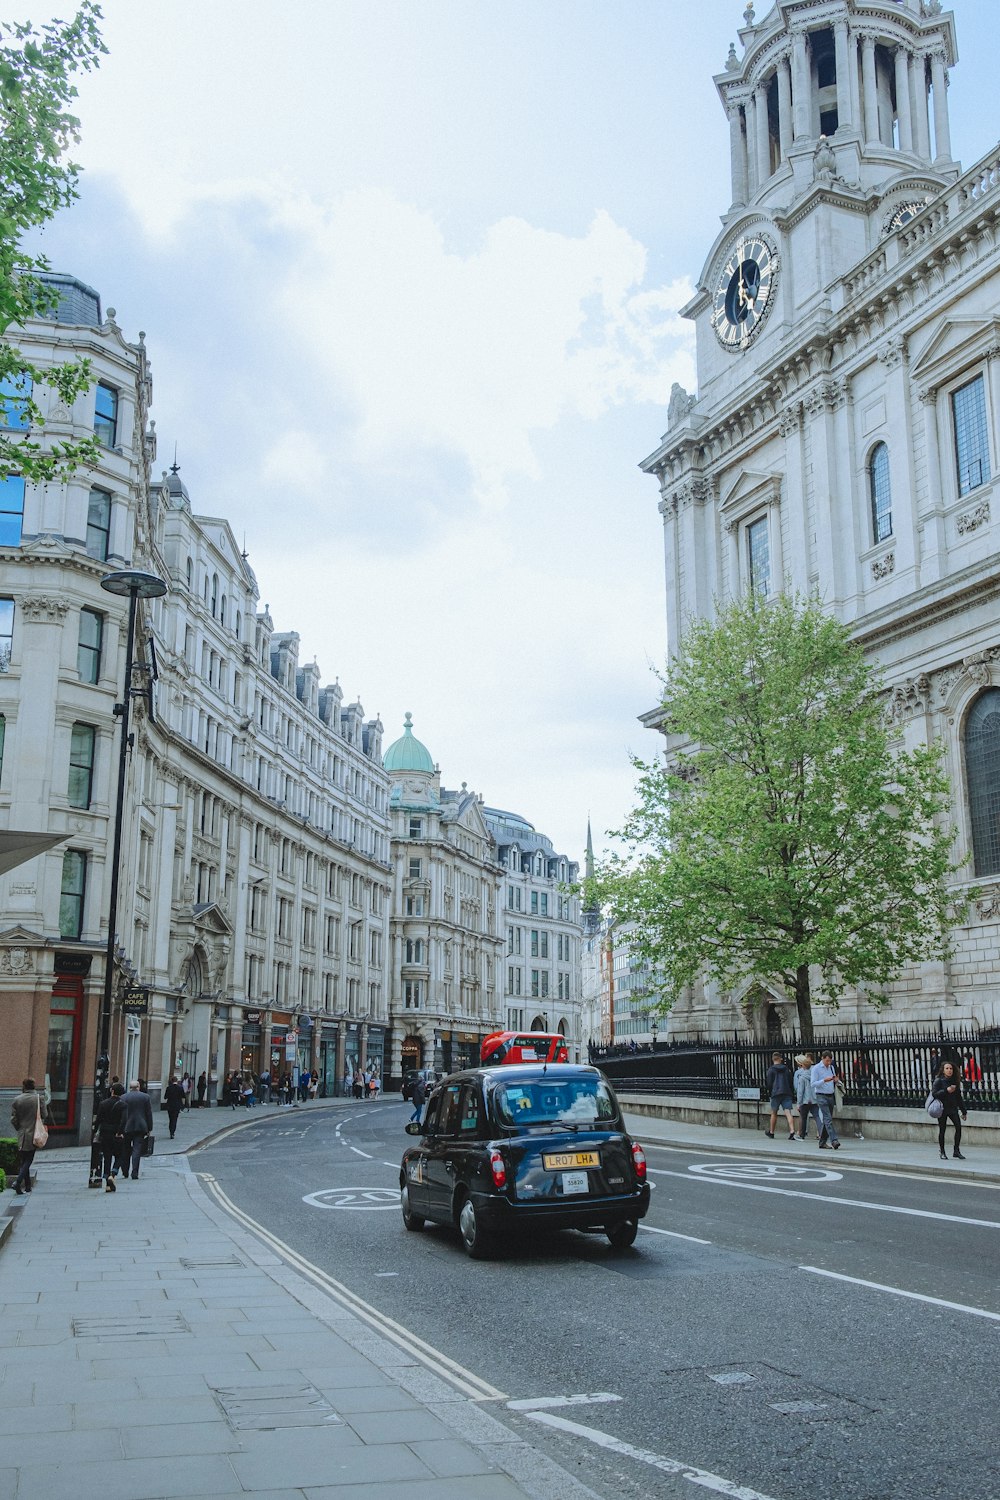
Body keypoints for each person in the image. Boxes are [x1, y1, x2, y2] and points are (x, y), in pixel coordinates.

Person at [10, 1077, 52, 1194]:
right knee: (29, 1159)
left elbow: (13, 1119)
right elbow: (44, 1115)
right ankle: (18, 1182)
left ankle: (27, 1186)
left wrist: (19, 1128)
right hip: (35, 1133)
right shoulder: (39, 1099)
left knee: (24, 1159)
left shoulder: (17, 1100)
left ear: (24, 1086)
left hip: (22, 1134)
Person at [932, 1060, 968, 1160]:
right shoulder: (939, 1080)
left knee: (958, 1127)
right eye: (947, 1068)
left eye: (951, 1068)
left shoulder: (954, 1081)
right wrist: (946, 1091)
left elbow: (959, 1097)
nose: (949, 1070)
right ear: (943, 1070)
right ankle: (942, 1151)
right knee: (942, 1129)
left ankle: (956, 1150)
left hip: (952, 1108)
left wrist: (963, 1111)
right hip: (942, 1109)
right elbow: (934, 1094)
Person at [120, 1079, 154, 1180]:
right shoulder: (145, 1097)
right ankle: (134, 1172)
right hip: (140, 1126)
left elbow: (121, 1115)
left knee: (125, 1149)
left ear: (130, 1087)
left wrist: (120, 1129)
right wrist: (149, 1127)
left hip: (127, 1127)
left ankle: (125, 1171)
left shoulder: (123, 1097)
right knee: (136, 1149)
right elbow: (149, 1113)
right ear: (138, 1086)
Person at [94, 1082, 125, 1189]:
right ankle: (113, 1173)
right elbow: (124, 1120)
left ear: (112, 1091)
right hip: (116, 1134)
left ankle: (107, 1182)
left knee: (107, 1157)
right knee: (119, 1156)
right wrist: (120, 1132)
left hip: (105, 1133)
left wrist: (95, 1131)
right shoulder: (123, 1105)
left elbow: (98, 1119)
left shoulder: (103, 1103)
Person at [810, 1051, 842, 1149]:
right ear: (823, 1058)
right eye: (827, 1060)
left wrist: (836, 1080)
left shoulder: (831, 1067)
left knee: (827, 1120)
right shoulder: (816, 1069)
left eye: (830, 1061)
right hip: (821, 1095)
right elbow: (813, 1084)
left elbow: (834, 1079)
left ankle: (822, 1142)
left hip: (830, 1095)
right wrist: (824, 1080)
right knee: (827, 1118)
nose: (828, 1063)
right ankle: (834, 1140)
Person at [764, 1051, 797, 1140]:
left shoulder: (771, 1070)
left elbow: (769, 1083)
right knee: (788, 1112)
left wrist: (770, 1092)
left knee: (774, 1113)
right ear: (780, 1059)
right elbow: (790, 1081)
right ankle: (792, 1131)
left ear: (773, 1059)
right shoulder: (786, 1069)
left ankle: (772, 1132)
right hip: (786, 1092)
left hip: (775, 1093)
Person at [793, 1053, 819, 1140]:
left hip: (805, 1100)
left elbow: (800, 1091)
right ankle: (821, 1132)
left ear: (803, 1066)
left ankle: (801, 1134)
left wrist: (798, 1103)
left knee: (803, 1117)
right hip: (814, 1099)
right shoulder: (814, 1075)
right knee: (817, 1117)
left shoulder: (802, 1077)